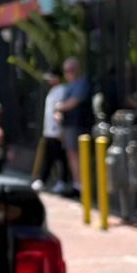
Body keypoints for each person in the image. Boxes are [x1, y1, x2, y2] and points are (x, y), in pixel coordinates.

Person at [33, 56, 88, 197]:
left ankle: (77, 185)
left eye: (69, 71)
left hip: (75, 126)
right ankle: (75, 184)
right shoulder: (65, 88)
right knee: (68, 155)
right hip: (64, 127)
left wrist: (60, 108)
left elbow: (72, 102)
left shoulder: (79, 84)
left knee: (71, 155)